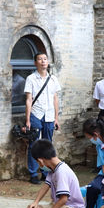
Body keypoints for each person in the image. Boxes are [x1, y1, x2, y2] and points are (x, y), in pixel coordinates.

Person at [25, 52, 62, 184]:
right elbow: (29, 100)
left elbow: (55, 99)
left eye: (45, 59)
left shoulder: (53, 79)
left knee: (47, 144)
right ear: (35, 63)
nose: (43, 61)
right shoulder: (31, 78)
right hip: (36, 113)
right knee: (34, 143)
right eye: (40, 59)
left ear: (48, 62)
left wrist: (56, 118)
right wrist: (28, 120)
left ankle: (46, 172)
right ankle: (33, 173)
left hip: (50, 115)